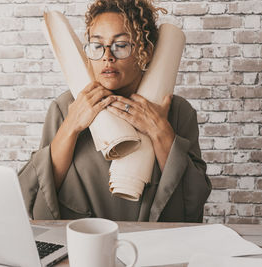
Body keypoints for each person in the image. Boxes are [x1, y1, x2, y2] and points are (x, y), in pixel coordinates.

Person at [18, 0, 211, 222]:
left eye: (121, 45)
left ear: (145, 52)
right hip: (81, 242)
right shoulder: (65, 108)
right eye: (97, 45)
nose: (107, 56)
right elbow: (32, 198)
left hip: (154, 245)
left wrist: (160, 132)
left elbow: (194, 200)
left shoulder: (177, 111)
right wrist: (71, 126)